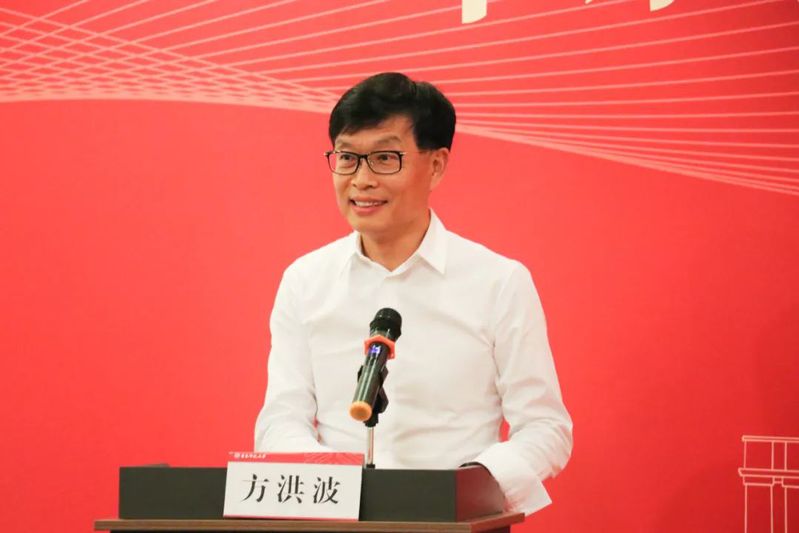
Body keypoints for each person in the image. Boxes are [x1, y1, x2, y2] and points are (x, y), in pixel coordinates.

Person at [254, 72, 572, 515]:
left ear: (436, 165)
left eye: (385, 158)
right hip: (337, 520)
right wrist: (336, 486)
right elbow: (280, 420)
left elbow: (545, 427)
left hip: (453, 521)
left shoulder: (498, 282)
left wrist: (466, 488)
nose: (361, 179)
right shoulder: (305, 281)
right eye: (347, 157)